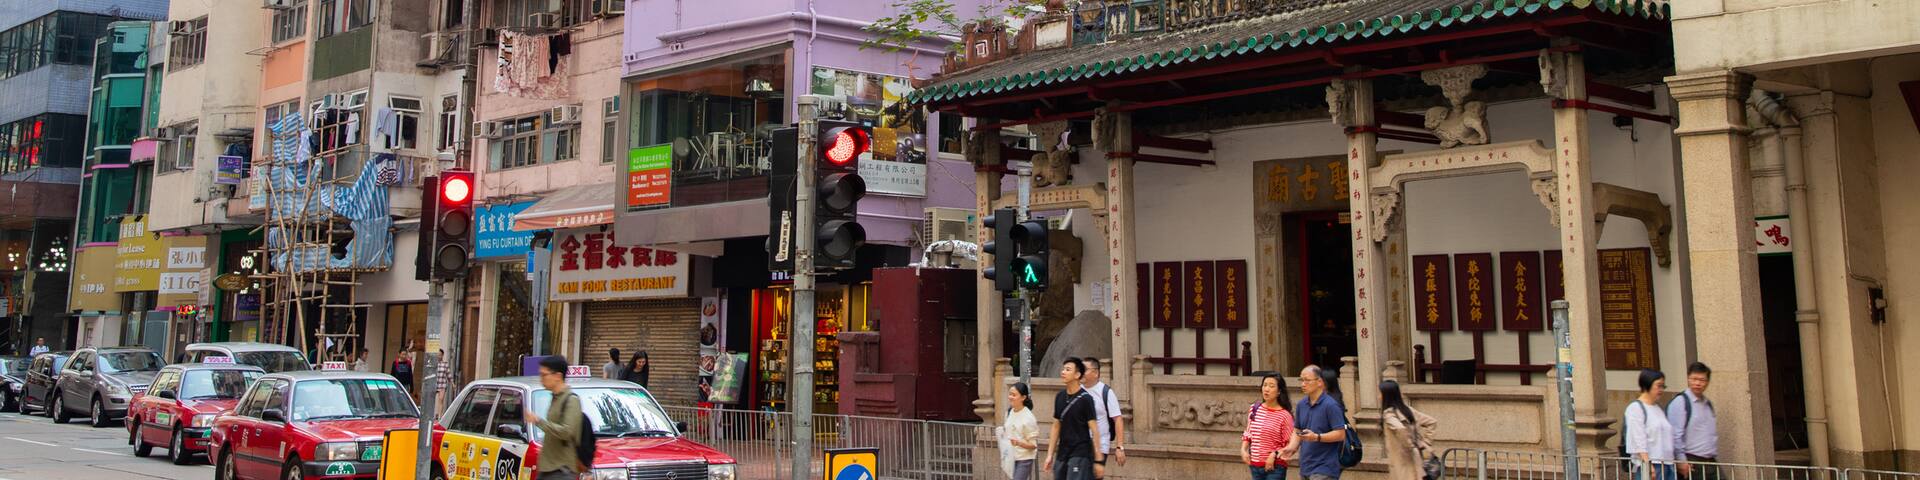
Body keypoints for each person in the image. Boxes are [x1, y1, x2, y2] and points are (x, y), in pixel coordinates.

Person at [525, 356, 586, 480]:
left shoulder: (571, 400)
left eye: (544, 375)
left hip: (562, 470)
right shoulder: (555, 397)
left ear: (558, 376)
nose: (541, 379)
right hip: (548, 468)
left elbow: (566, 432)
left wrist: (538, 421)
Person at [1288, 365, 1349, 480]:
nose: (1303, 384)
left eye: (1307, 380)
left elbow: (1341, 434)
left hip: (1325, 467)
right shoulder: (1301, 404)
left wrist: (1316, 437)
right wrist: (1291, 447)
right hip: (1305, 466)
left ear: (1319, 382)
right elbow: (1297, 430)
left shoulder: (1331, 405)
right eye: (1301, 380)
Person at [1046, 358, 1102, 480]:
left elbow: (1095, 430)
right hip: (1062, 453)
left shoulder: (1086, 399)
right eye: (1063, 369)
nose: (1063, 372)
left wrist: (1098, 460)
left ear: (1077, 375)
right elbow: (1056, 426)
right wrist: (1050, 454)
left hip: (1080, 452)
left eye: (1068, 369)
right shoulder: (1060, 397)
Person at [1625, 369, 1678, 480]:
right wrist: (1647, 464)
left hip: (1667, 463)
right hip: (1652, 464)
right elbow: (1638, 438)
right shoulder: (1636, 408)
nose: (1661, 390)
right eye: (1658, 386)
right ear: (1647, 384)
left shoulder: (1658, 408)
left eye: (1663, 386)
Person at [1669, 363, 1718, 480]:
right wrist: (1681, 461)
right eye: (1694, 379)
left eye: (1702, 380)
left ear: (1707, 382)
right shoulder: (1681, 402)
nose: (1697, 383)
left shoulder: (1707, 403)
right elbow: (1675, 435)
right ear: (1688, 378)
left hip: (1710, 461)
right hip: (1692, 461)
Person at [1381, 380, 1438, 480]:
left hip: (1401, 462)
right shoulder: (1407, 410)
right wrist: (1424, 443)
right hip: (1415, 459)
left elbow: (1400, 429)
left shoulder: (1389, 415)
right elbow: (1432, 422)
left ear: (1386, 395)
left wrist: (1410, 445)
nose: (1379, 396)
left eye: (1380, 393)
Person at [1081, 358, 1127, 478]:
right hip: (1079, 446)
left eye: (1084, 369)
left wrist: (1120, 447)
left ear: (1096, 373)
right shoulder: (1076, 391)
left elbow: (1118, 419)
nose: (1080, 372)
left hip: (1100, 446)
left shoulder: (1105, 392)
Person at [1241, 373, 1294, 480]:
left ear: (1279, 391)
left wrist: (1274, 454)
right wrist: (1243, 450)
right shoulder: (1254, 408)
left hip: (1275, 467)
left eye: (1271, 386)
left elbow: (1290, 444)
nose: (1266, 389)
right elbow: (1248, 433)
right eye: (1264, 385)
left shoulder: (1285, 415)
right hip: (1255, 466)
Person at [1005, 383, 1040, 480]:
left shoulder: (1029, 418)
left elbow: (1033, 445)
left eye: (1014, 395)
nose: (1010, 397)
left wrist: (1018, 443)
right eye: (1010, 394)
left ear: (1023, 397)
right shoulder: (1009, 412)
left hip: (1024, 459)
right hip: (1011, 457)